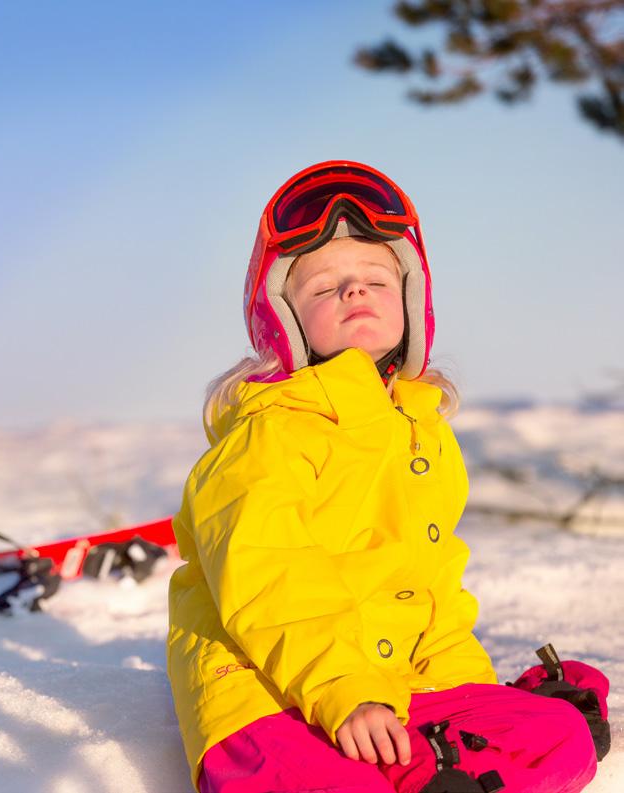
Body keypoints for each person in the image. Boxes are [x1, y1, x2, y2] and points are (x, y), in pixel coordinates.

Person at [167, 161, 607, 793]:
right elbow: (271, 584)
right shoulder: (266, 437)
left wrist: (468, 691)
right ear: (283, 321)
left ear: (410, 302)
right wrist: (344, 692)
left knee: (560, 737)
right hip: (271, 698)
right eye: (324, 288)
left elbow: (431, 590)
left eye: (376, 279)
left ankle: (442, 771)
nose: (354, 292)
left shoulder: (422, 432)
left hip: (397, 691)